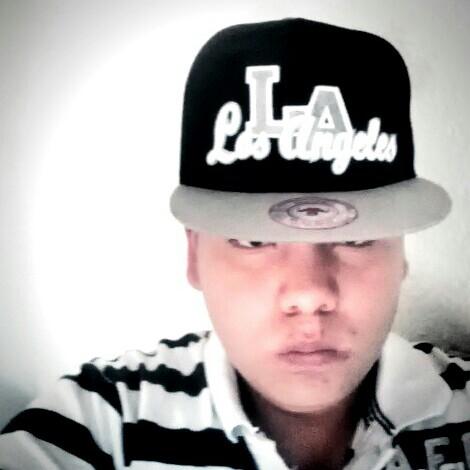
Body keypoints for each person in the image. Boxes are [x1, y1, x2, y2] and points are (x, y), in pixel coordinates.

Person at [0, 17, 468, 470]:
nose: (309, 293)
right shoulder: (100, 424)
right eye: (254, 239)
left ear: (400, 253)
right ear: (194, 255)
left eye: (355, 236)